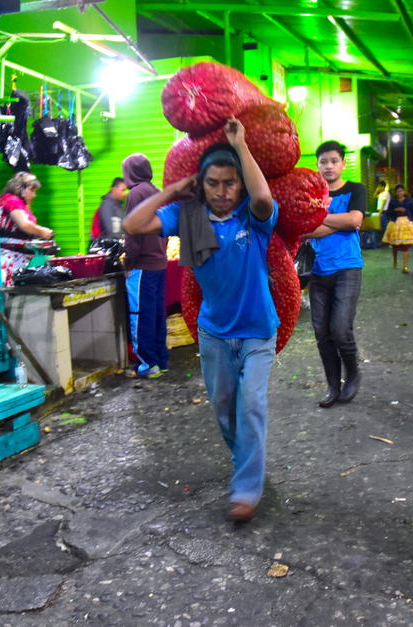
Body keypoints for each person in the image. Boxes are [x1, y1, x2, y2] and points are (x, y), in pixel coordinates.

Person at [123, 119, 278, 522]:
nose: (223, 191)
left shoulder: (253, 217)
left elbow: (262, 196)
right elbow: (132, 225)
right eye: (213, 183)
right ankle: (247, 458)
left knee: (251, 406)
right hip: (213, 334)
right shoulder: (187, 216)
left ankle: (246, 487)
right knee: (225, 409)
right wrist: (172, 190)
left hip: (258, 331)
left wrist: (240, 146)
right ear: (202, 184)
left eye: (230, 183)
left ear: (240, 184)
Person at [304, 140, 366, 408]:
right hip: (317, 270)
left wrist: (321, 218)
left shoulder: (355, 189)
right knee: (322, 331)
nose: (328, 166)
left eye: (333, 161)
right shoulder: (311, 195)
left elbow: (355, 220)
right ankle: (332, 385)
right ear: (317, 165)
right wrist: (340, 221)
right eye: (323, 161)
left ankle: (352, 374)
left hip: (347, 267)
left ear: (342, 163)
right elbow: (306, 230)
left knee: (340, 329)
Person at [122, 154, 168, 379]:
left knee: (140, 315)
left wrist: (128, 262)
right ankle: (161, 360)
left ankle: (148, 364)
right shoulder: (157, 192)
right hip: (159, 262)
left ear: (130, 171)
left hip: (142, 265)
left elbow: (132, 232)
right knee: (157, 313)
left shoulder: (136, 193)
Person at [0, 172, 54, 286]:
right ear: (21, 188)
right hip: (10, 257)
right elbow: (25, 225)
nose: (34, 195)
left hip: (20, 256)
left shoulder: (21, 204)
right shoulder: (11, 200)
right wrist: (42, 231)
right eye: (32, 190)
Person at [382, 184, 413, 273]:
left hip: (406, 225)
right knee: (395, 246)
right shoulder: (393, 201)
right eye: (398, 191)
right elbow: (388, 212)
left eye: (401, 191)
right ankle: (395, 261)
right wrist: (395, 210)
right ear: (395, 192)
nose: (400, 193)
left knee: (406, 246)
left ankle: (405, 266)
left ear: (404, 192)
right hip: (395, 225)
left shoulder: (409, 201)